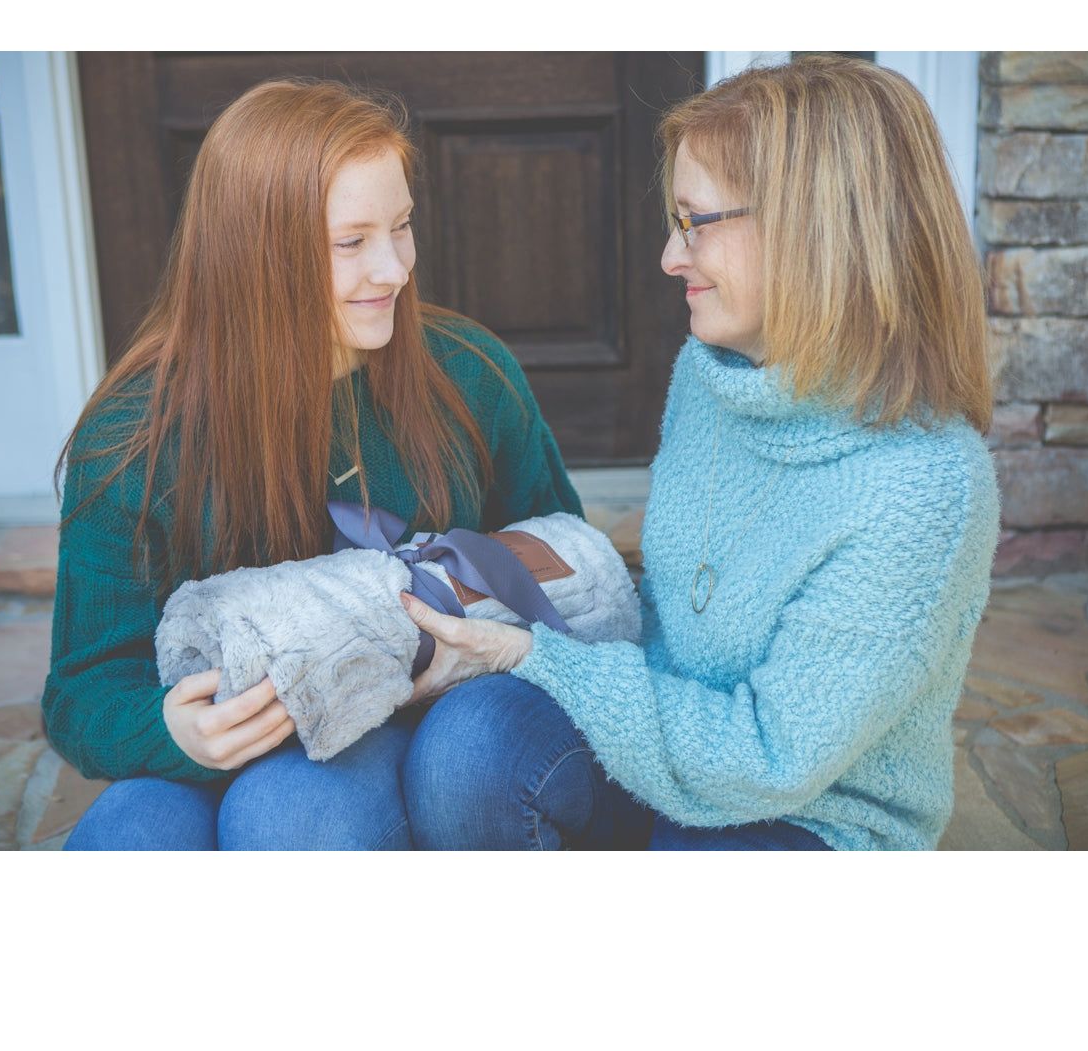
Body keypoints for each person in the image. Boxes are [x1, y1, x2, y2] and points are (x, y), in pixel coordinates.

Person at [397, 55, 1001, 851]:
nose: (669, 258)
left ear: (814, 228)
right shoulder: (717, 375)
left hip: (805, 810)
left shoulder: (925, 488)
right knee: (468, 747)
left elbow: (768, 759)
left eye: (695, 222)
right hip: (659, 734)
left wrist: (533, 654)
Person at [48, 77, 647, 850]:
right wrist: (174, 733)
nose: (394, 269)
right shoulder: (133, 437)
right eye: (351, 242)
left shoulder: (469, 373)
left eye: (401, 227)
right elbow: (80, 691)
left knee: (290, 814)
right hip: (224, 745)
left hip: (415, 722)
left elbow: (559, 570)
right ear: (253, 254)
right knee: (128, 841)